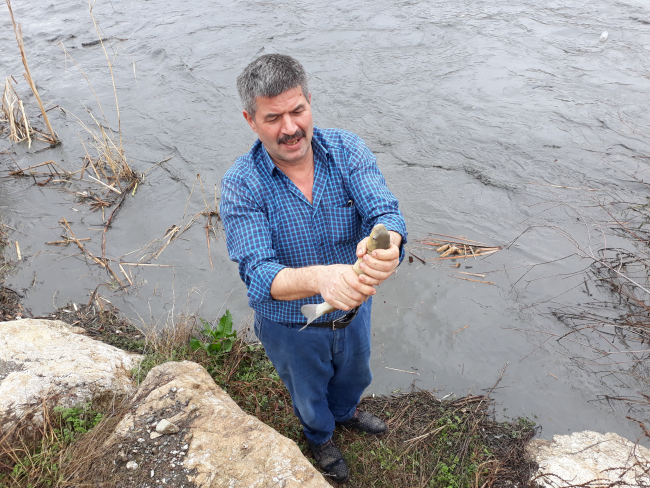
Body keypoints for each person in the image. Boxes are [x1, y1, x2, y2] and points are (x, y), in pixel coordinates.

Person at [220, 54, 407, 483]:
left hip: (354, 309)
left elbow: (385, 215)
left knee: (356, 371)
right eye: (273, 117)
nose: (290, 128)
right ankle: (320, 436)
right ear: (250, 120)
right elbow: (259, 275)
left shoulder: (347, 150)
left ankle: (345, 412)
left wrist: (385, 244)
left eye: (297, 110)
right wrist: (322, 278)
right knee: (306, 391)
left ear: (310, 101)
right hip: (292, 326)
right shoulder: (240, 185)